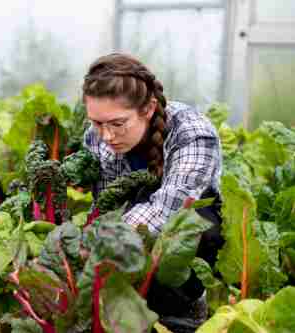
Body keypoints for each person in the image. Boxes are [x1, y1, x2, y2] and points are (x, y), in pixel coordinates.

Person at [81, 53, 223, 332]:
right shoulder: (95, 135)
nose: (106, 136)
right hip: (128, 227)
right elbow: (106, 203)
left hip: (181, 222)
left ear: (148, 109)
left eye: (118, 124)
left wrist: (101, 241)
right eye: (98, 124)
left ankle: (190, 302)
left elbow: (172, 205)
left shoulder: (193, 131)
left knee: (197, 222)